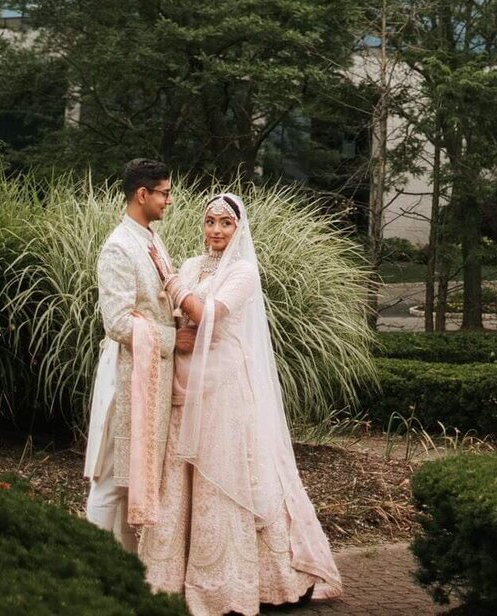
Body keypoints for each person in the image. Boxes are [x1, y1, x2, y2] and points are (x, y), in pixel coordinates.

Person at [139, 192, 342, 615]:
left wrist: (174, 285)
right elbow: (180, 318)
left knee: (224, 474)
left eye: (225, 223)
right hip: (185, 379)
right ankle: (169, 580)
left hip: (224, 385)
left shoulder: (245, 272)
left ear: (238, 229)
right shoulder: (194, 266)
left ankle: (236, 585)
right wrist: (179, 328)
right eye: (210, 222)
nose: (216, 230)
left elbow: (209, 312)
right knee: (181, 472)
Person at [84, 158, 189, 551]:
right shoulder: (118, 248)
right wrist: (170, 339)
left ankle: (127, 574)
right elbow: (117, 322)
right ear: (142, 194)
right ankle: (88, 571)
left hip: (148, 378)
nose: (169, 200)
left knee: (131, 483)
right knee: (110, 478)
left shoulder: (150, 240)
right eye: (164, 193)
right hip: (125, 378)